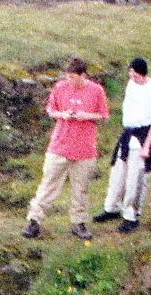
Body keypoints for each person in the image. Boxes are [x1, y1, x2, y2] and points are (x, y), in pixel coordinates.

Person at [23, 56, 109, 241]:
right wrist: (63, 114)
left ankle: (78, 223)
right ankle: (34, 220)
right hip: (59, 146)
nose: (70, 81)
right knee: (48, 184)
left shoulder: (96, 91)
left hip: (84, 149)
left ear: (83, 75)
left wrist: (86, 115)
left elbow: (103, 115)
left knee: (81, 188)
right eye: (68, 77)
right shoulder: (60, 87)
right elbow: (51, 110)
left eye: (73, 77)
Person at [93, 56, 151, 233]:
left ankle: (131, 215)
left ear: (142, 73)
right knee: (118, 174)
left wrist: (147, 146)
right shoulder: (131, 84)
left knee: (135, 178)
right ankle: (112, 208)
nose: (132, 77)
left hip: (142, 137)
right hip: (127, 135)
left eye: (135, 74)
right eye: (130, 73)